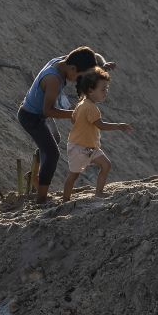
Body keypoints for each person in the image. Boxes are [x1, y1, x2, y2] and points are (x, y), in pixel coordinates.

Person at [18, 47, 100, 205]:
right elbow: (48, 110)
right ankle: (41, 199)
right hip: (31, 117)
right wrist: (75, 114)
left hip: (38, 113)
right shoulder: (53, 79)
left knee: (53, 139)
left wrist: (102, 66)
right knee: (53, 154)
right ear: (73, 68)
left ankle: (35, 177)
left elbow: (88, 56)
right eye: (79, 77)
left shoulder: (64, 61)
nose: (78, 81)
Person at [63, 68, 126, 202]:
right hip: (79, 147)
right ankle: (65, 200)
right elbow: (101, 125)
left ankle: (98, 193)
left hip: (88, 146)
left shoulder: (81, 104)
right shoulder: (91, 108)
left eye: (106, 88)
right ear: (91, 91)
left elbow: (73, 119)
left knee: (106, 165)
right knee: (73, 175)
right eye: (103, 89)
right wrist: (120, 126)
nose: (106, 92)